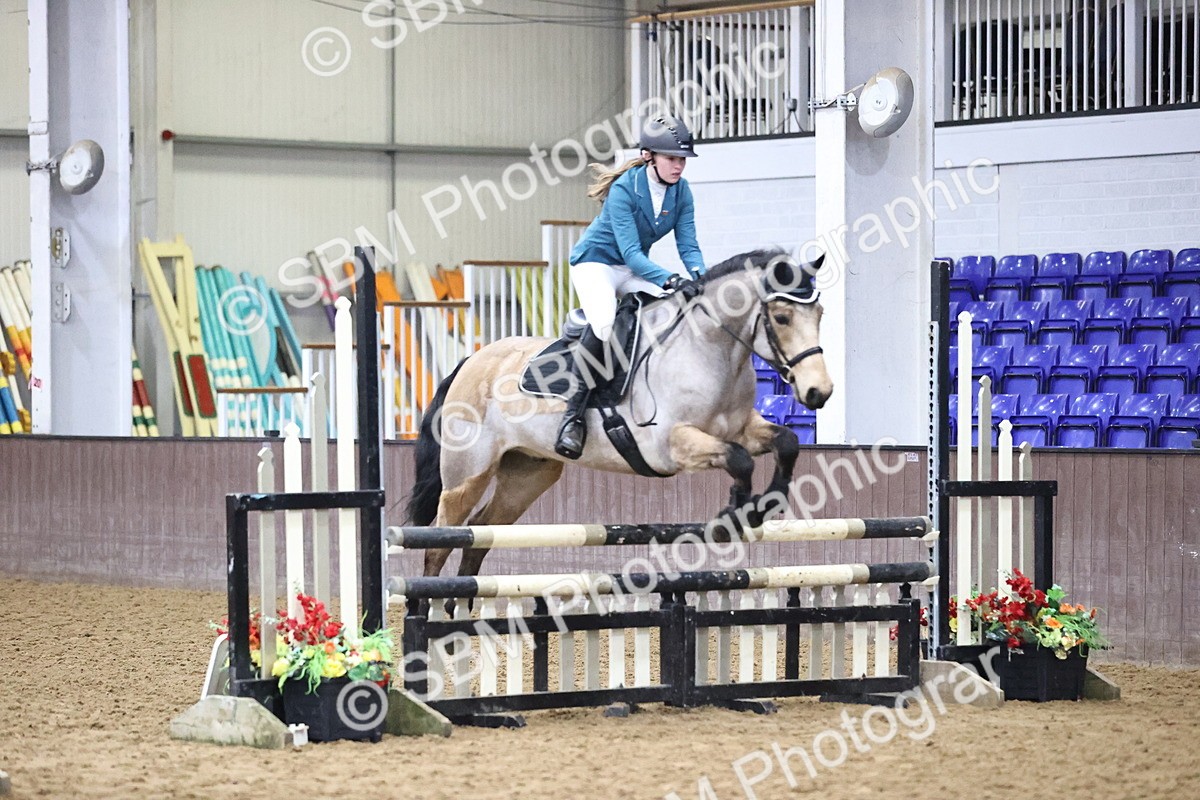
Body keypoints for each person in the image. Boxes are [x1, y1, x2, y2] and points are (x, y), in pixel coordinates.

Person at [554, 115, 707, 460]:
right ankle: (571, 418)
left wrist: (700, 278)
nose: (679, 166)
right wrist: (669, 279)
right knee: (605, 322)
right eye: (672, 159)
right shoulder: (625, 189)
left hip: (630, 269)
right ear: (649, 155)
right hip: (596, 264)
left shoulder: (682, 192)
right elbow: (633, 255)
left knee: (673, 307)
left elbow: (689, 245)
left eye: (683, 159)